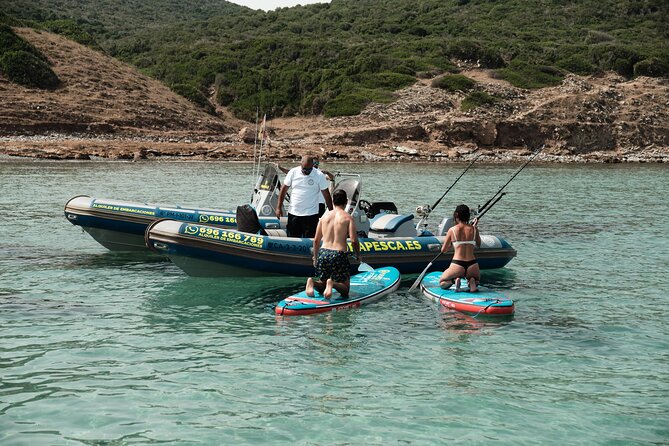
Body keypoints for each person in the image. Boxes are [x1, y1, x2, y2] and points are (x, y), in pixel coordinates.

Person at [306, 189, 361, 299]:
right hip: (338, 254)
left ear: (332, 201)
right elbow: (354, 240)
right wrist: (358, 254)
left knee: (322, 284)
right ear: (346, 202)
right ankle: (332, 284)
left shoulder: (324, 217)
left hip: (323, 252)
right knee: (345, 290)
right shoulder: (348, 218)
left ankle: (312, 282)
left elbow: (316, 240)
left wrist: (315, 257)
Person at [276, 155, 333, 238]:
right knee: (292, 237)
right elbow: (283, 190)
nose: (306, 172)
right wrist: (278, 207)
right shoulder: (293, 172)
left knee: (310, 239)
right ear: (300, 165)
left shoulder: (319, 175)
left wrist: (331, 212)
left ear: (313, 166)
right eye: (304, 169)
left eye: (309, 170)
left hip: (311, 215)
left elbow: (326, 195)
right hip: (294, 213)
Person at [438, 204, 481, 292]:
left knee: (442, 282)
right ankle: (472, 281)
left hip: (457, 265)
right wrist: (474, 227)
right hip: (472, 264)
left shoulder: (452, 230)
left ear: (456, 215)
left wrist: (452, 244)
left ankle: (455, 280)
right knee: (476, 280)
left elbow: (444, 250)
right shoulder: (474, 229)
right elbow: (478, 244)